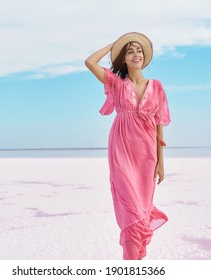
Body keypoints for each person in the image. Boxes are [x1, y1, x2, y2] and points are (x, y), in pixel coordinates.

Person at [85, 32, 171, 260]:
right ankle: (131, 261)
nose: (135, 54)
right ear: (123, 58)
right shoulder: (117, 84)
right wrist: (114, 45)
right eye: (130, 51)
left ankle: (135, 259)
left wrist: (161, 162)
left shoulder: (157, 86)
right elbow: (90, 62)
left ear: (144, 57)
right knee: (131, 206)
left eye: (139, 50)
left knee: (142, 210)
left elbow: (159, 124)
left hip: (146, 155)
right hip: (121, 149)